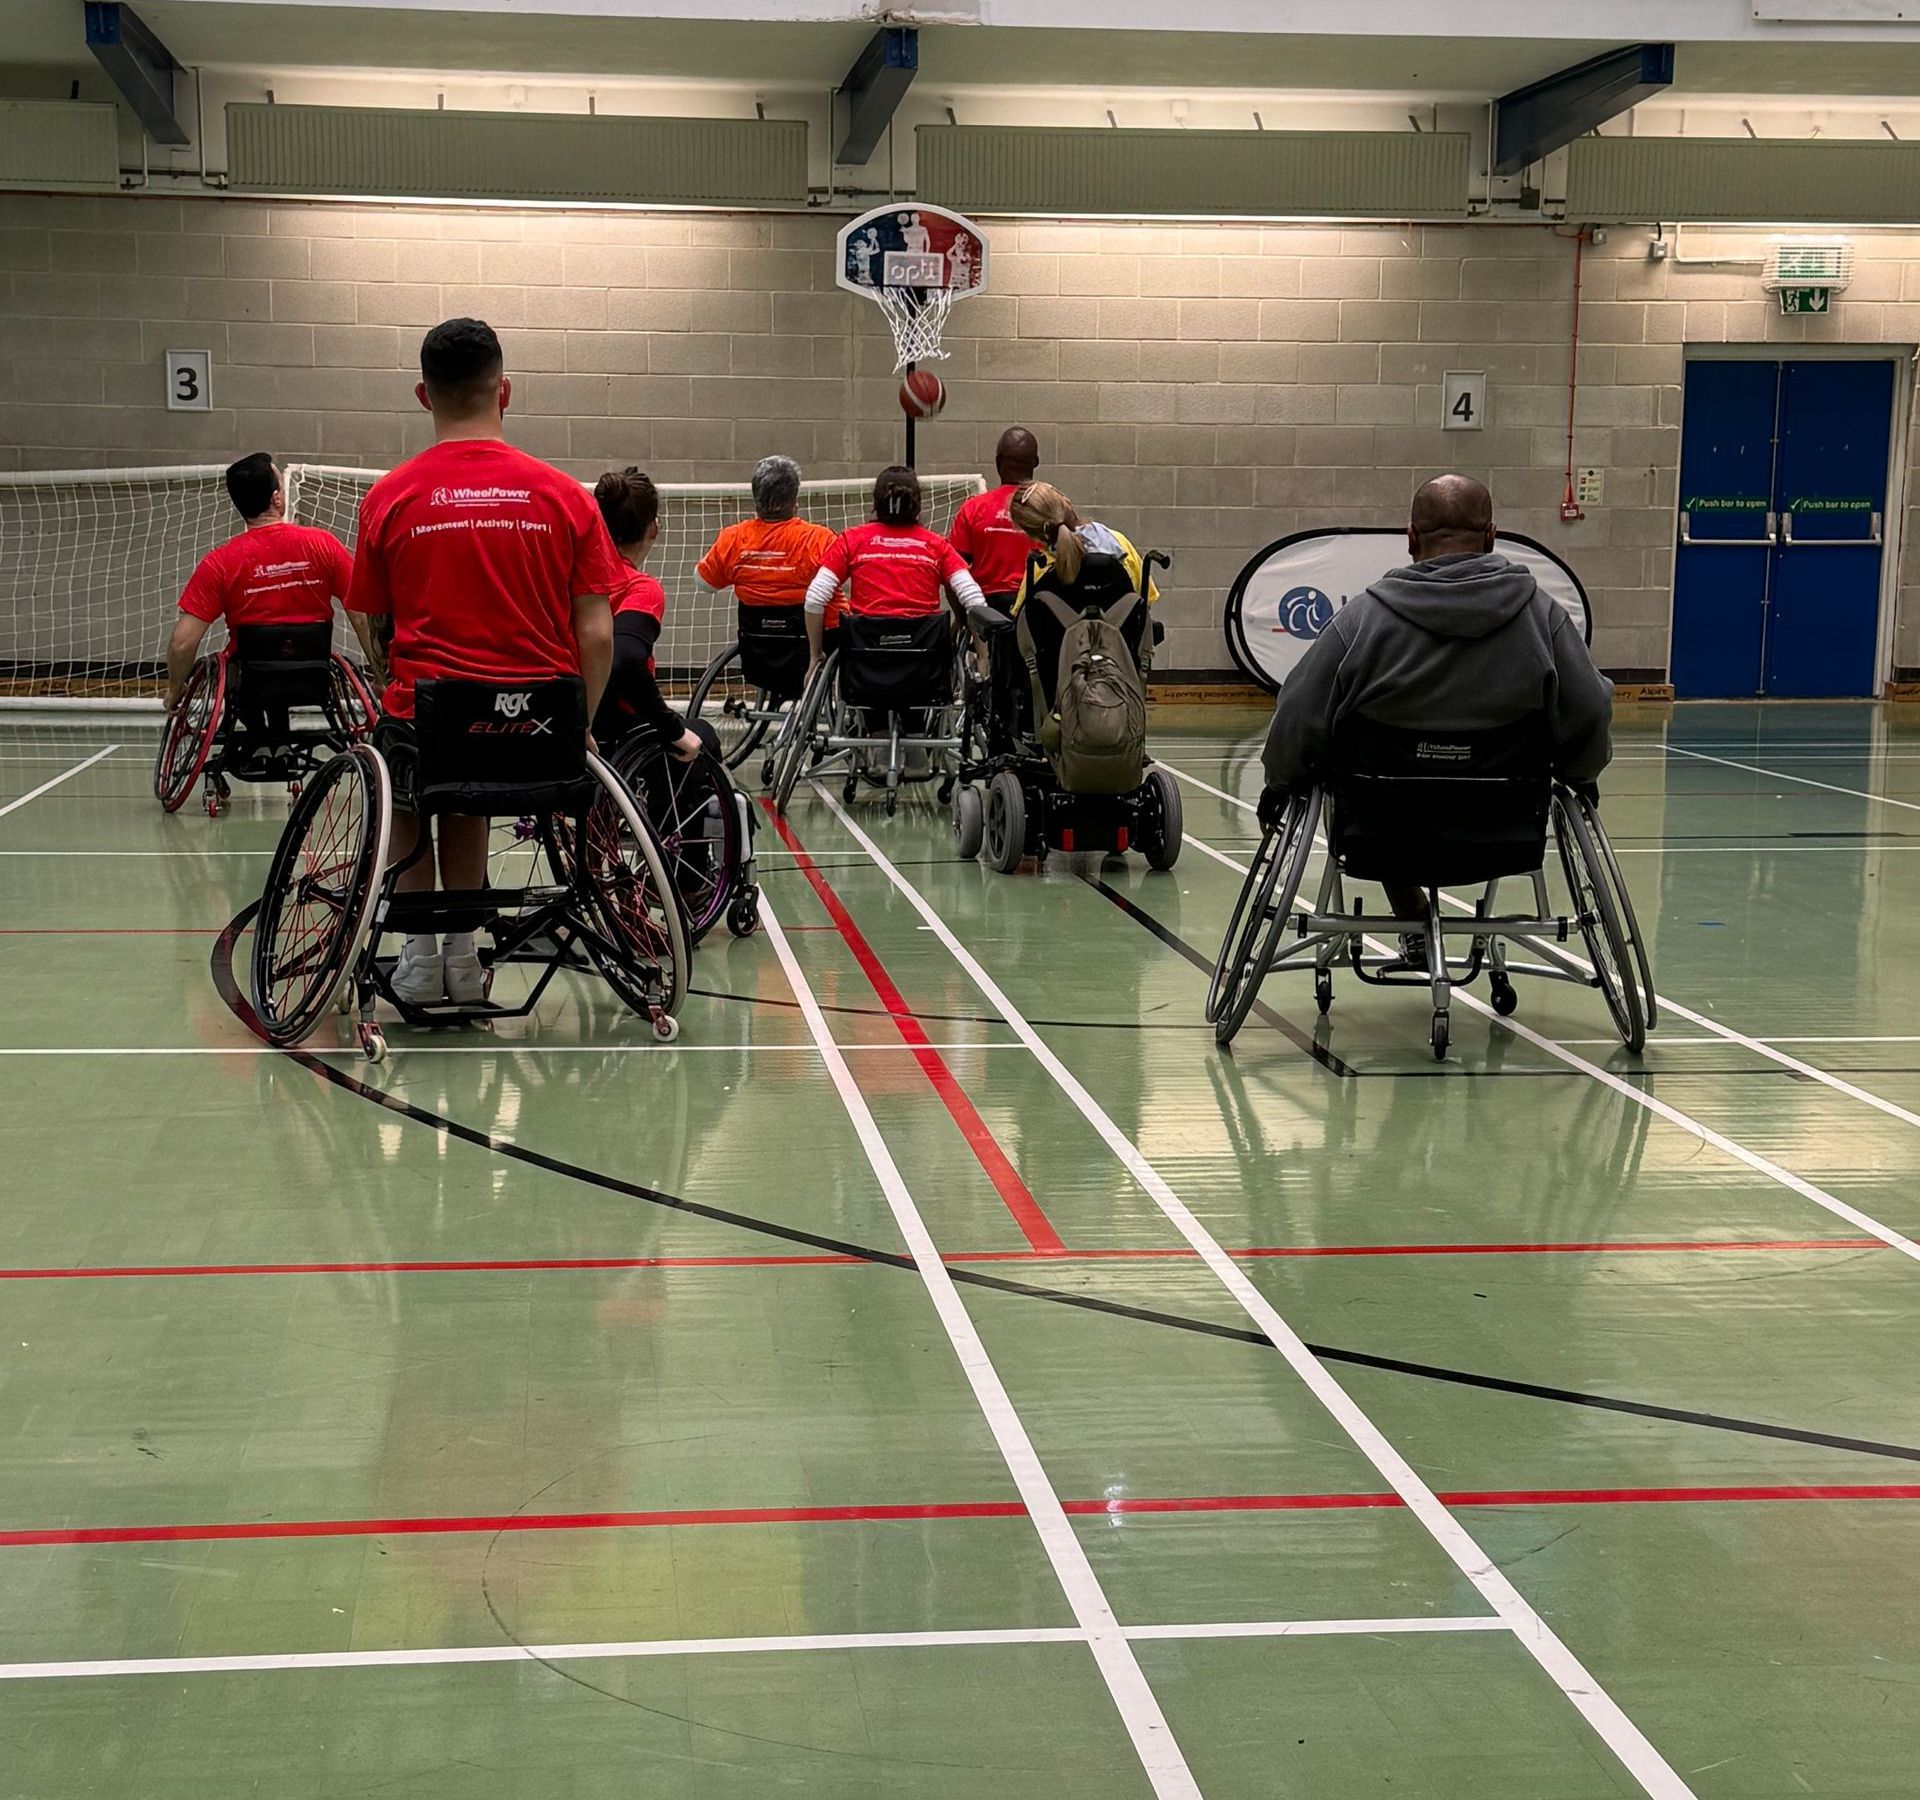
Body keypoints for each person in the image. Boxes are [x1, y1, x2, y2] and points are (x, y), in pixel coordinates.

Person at [346, 317, 624, 1007]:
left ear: (422, 395)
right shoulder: (565, 496)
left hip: (436, 719)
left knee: (412, 754)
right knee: (469, 770)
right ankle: (466, 959)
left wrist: (389, 680)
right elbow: (596, 631)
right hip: (537, 728)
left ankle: (419, 957)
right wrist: (580, 721)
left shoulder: (390, 497)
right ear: (506, 392)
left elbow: (366, 616)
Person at [1262, 473, 1614, 951]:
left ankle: (1410, 913)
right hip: (1504, 832)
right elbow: (1590, 709)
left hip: (1380, 834)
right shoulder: (1544, 618)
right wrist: (1581, 773)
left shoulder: (1361, 621)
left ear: (1411, 539)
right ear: (1492, 537)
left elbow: (1299, 716)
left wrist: (1280, 783)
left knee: (1355, 773)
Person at [164, 453, 352, 737]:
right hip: (314, 673)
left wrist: (175, 690)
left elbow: (181, 644)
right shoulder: (323, 545)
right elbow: (364, 615)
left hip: (251, 683)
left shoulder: (219, 563)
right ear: (276, 499)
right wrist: (381, 673)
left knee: (238, 667)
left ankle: (260, 738)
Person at [801, 466, 986, 677]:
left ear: (876, 502)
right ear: (917, 504)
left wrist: (815, 655)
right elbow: (975, 601)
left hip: (866, 665)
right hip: (922, 667)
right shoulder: (937, 546)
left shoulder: (851, 541)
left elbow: (815, 598)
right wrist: (983, 657)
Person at [592, 466, 702, 762]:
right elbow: (625, 661)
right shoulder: (640, 589)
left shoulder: (571, 573)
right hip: (614, 727)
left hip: (561, 716)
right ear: (654, 527)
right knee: (702, 735)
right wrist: (673, 729)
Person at [695, 454, 839, 633]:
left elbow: (703, 583)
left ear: (756, 500)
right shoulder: (821, 540)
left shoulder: (732, 539)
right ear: (794, 500)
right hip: (813, 649)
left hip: (756, 650)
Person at [1006, 481, 1160, 609]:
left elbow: (1022, 621)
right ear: (1066, 502)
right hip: (1121, 644)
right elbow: (1146, 602)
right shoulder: (1120, 544)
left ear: (1033, 534)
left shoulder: (1040, 569)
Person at [950, 427, 1040, 606]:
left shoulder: (973, 508)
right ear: (1035, 462)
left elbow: (952, 572)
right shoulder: (1052, 508)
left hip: (986, 611)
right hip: (1035, 610)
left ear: (998, 462)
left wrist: (962, 618)